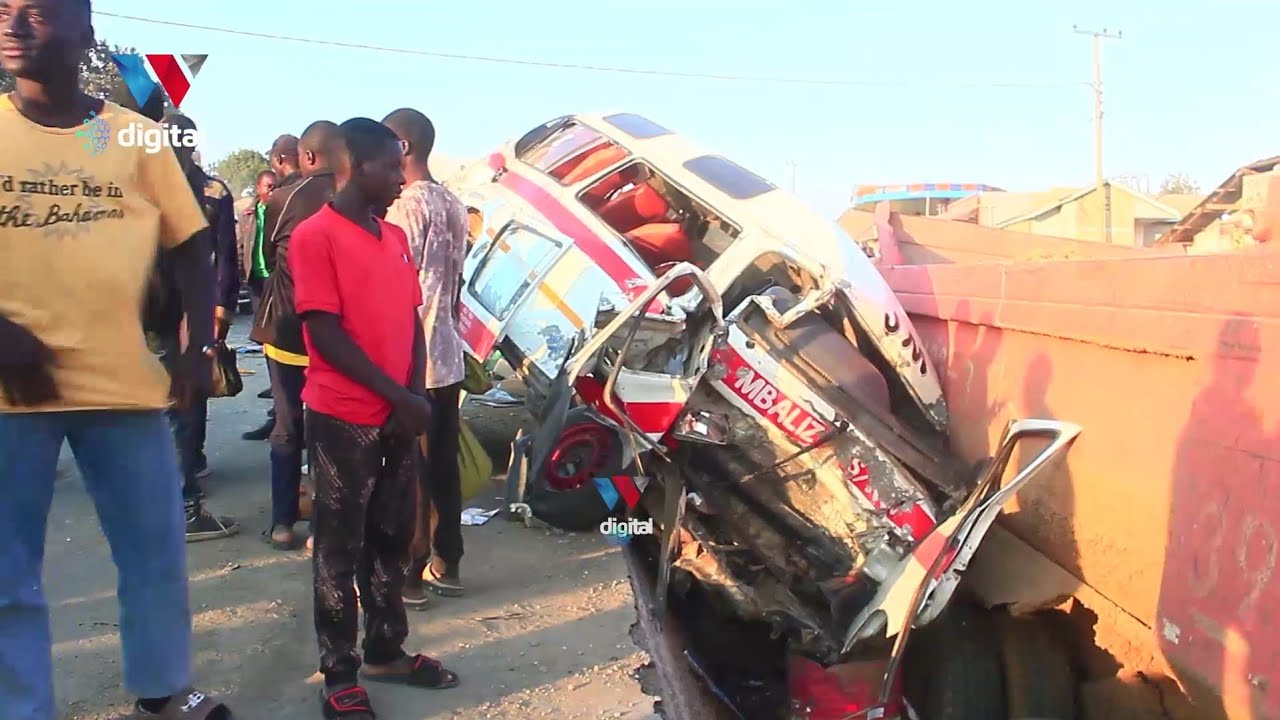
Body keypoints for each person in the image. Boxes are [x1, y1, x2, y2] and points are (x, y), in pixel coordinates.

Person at [0, 0, 234, 717]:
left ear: (85, 34)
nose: (12, 26)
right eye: (4, 10)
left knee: (156, 555)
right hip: (10, 393)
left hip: (122, 386)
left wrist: (199, 344)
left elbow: (190, 241)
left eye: (35, 13)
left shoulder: (131, 135)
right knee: (8, 578)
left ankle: (163, 691)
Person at [292, 117, 459, 718]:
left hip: (397, 415)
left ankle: (386, 651)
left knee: (392, 539)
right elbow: (324, 333)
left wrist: (412, 397)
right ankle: (338, 673)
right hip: (343, 419)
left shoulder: (393, 239)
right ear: (355, 166)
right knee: (340, 547)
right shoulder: (316, 237)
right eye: (389, 166)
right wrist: (396, 397)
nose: (398, 177)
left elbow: (412, 321)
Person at [382, 108, 470, 602]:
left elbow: (397, 286)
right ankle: (448, 561)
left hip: (412, 353)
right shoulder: (455, 204)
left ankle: (411, 572)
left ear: (404, 147)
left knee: (408, 469)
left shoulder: (403, 208)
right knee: (443, 464)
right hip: (448, 351)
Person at [251, 121, 340, 550]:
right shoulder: (356, 199)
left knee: (287, 427)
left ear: (307, 157)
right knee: (328, 431)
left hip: (286, 329)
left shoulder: (281, 201)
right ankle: (322, 526)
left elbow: (267, 260)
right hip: (337, 336)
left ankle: (283, 523)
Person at [156, 111, 241, 542]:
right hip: (152, 313)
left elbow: (225, 255)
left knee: (189, 397)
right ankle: (179, 498)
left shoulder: (212, 192)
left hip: (191, 309)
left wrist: (221, 310)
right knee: (168, 404)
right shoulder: (142, 182)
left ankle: (189, 472)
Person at [241, 134, 301, 442]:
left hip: (282, 295)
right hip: (265, 288)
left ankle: (284, 426)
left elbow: (268, 250)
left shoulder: (287, 198)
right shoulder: (254, 211)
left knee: (285, 376)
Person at [238, 170, 276, 402]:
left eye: (274, 186)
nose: (271, 191)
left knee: (276, 335)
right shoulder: (248, 214)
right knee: (262, 336)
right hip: (255, 279)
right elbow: (242, 245)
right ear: (258, 188)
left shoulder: (280, 211)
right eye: (268, 187)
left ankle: (279, 384)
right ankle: (274, 382)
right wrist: (241, 272)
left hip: (275, 280)